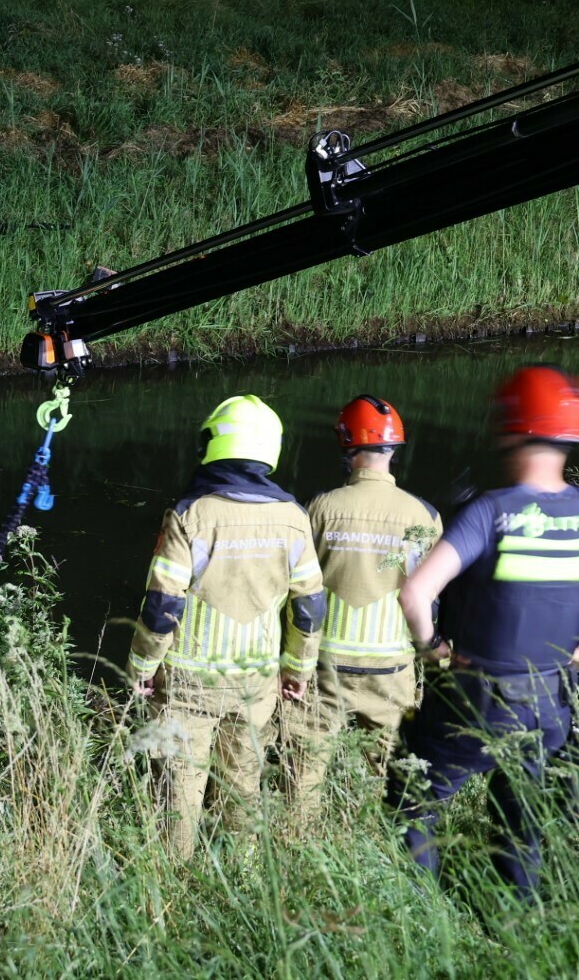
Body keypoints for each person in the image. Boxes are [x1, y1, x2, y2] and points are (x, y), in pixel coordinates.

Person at [387, 364, 579, 898]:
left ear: (512, 428)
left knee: (414, 798)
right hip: (551, 704)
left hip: (481, 696)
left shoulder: (490, 511)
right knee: (522, 822)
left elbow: (414, 594)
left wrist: (432, 650)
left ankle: (419, 914)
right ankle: (516, 923)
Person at [130, 394, 326, 859]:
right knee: (243, 789)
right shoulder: (294, 519)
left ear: (213, 443)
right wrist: (296, 671)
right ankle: (243, 880)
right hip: (256, 684)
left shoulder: (190, 515)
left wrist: (142, 664)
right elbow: (309, 608)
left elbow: (162, 604)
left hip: (190, 683)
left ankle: (172, 888)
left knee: (179, 795)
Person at [279, 396, 442, 820]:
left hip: (323, 665)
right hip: (390, 669)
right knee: (392, 775)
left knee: (303, 773)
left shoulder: (320, 508)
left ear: (347, 444)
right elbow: (430, 594)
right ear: (394, 447)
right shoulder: (423, 515)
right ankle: (387, 849)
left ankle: (298, 843)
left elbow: (296, 589)